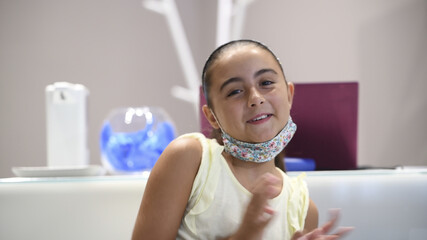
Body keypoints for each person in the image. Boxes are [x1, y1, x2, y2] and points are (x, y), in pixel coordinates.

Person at [132, 39, 352, 240]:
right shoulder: (189, 157)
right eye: (235, 91)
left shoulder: (302, 207)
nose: (255, 98)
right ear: (212, 116)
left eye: (266, 82)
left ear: (289, 95)